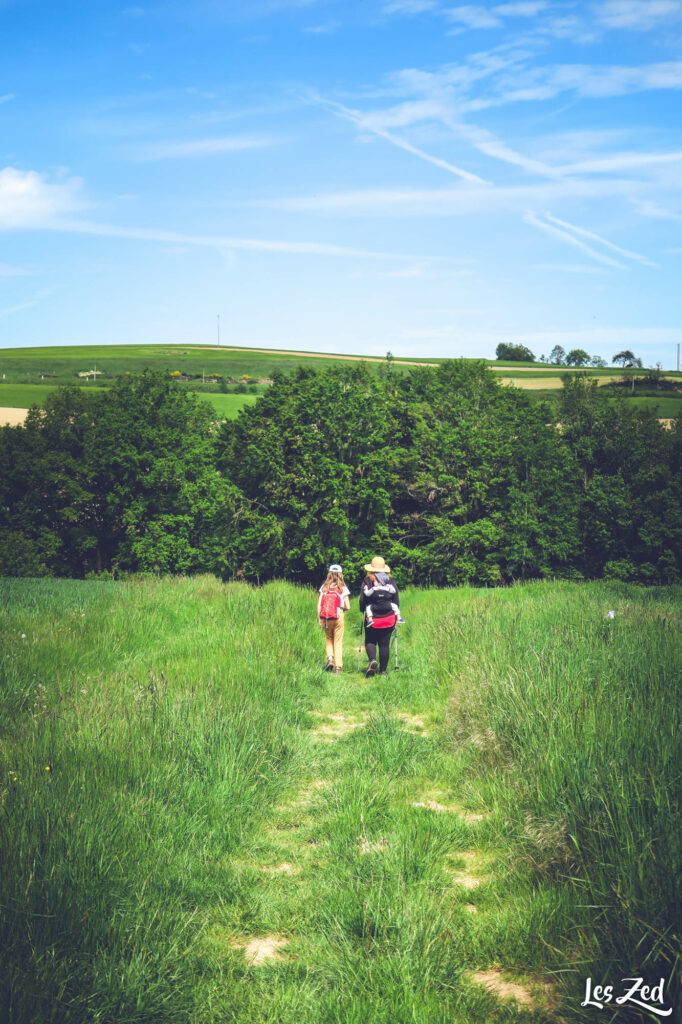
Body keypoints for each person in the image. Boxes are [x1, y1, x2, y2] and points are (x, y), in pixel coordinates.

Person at [359, 556, 399, 677]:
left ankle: (372, 660)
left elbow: (362, 599)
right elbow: (396, 599)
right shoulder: (390, 581)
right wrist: (396, 613)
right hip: (388, 618)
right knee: (384, 644)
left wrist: (363, 610)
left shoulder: (367, 581)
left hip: (373, 618)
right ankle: (383, 671)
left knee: (370, 641)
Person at [318, 563, 350, 674]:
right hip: (339, 616)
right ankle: (338, 667)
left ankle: (330, 660)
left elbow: (319, 605)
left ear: (329, 574)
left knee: (328, 638)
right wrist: (342, 609)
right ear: (340, 574)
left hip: (327, 617)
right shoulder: (343, 588)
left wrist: (320, 618)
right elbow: (348, 606)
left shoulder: (324, 587)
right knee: (338, 641)